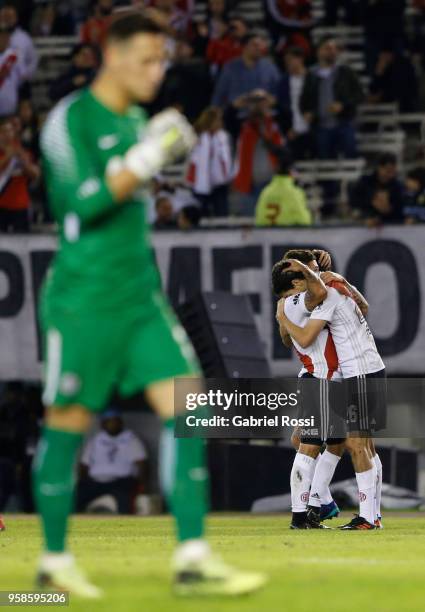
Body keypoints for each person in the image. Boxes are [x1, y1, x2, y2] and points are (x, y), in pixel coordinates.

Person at [33, 11, 265, 598]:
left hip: (141, 299)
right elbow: (77, 207)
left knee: (192, 409)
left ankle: (192, 557)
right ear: (111, 55)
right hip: (84, 301)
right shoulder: (70, 121)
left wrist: (146, 153)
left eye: (163, 60)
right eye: (146, 59)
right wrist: (143, 160)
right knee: (67, 427)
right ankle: (52, 567)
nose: (158, 71)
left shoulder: (138, 118)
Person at [278, 261, 386, 530]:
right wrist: (339, 279)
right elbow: (364, 307)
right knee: (356, 444)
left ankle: (362, 515)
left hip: (355, 371)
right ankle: (362, 512)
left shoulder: (329, 293)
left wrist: (282, 318)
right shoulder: (326, 291)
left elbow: (297, 339)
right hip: (351, 372)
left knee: (354, 444)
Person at [300, 36, 363, 159]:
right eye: (328, 48)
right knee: (326, 163)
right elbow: (304, 101)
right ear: (319, 51)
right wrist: (307, 113)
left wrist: (343, 105)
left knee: (351, 157)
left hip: (344, 123)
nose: (333, 51)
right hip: (321, 126)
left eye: (335, 49)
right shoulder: (311, 74)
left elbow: (359, 95)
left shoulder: (345, 71)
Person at [77, 409, 148, 514]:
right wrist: (82, 481)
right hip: (95, 481)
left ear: (120, 422)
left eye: (114, 421)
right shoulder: (96, 439)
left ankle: (124, 525)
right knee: (76, 498)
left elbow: (142, 463)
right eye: (108, 421)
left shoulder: (131, 438)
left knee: (124, 500)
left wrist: (142, 485)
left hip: (121, 481)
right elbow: (84, 465)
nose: (112, 424)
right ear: (102, 424)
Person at [232, 91, 285, 215]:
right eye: (255, 102)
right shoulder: (243, 125)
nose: (258, 105)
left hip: (273, 182)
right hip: (250, 184)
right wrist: (238, 104)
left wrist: (274, 103)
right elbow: (228, 119)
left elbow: (287, 117)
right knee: (250, 221)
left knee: (272, 223)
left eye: (261, 101)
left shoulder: (273, 123)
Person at [211, 32, 281, 109]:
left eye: (260, 45)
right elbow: (219, 95)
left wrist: (267, 97)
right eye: (255, 45)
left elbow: (279, 94)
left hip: (262, 114)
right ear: (244, 46)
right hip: (235, 114)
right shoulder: (230, 68)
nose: (259, 48)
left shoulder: (270, 67)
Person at [187, 106, 233, 217]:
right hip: (200, 182)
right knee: (199, 214)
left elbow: (226, 160)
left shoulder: (224, 137)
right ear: (210, 121)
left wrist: (228, 177)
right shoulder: (196, 136)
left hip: (219, 183)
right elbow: (192, 160)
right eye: (218, 120)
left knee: (222, 214)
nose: (220, 122)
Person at [0, 116, 40, 233]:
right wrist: (8, 156)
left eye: (9, 131)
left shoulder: (22, 151)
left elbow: (35, 175)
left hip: (20, 206)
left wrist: (24, 163)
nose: (7, 134)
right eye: (3, 131)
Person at [255, 149, 312, 226]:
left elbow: (259, 220)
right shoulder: (294, 193)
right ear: (291, 172)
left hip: (267, 236)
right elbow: (304, 220)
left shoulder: (266, 191)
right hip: (286, 235)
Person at [349, 153, 404, 224]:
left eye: (393, 171)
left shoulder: (397, 186)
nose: (390, 174)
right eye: (388, 170)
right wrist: (372, 202)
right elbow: (353, 201)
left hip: (389, 223)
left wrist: (388, 209)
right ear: (379, 167)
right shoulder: (365, 182)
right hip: (365, 221)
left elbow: (399, 209)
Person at [278, 46, 312, 159]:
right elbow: (282, 108)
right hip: (292, 132)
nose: (287, 64)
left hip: (313, 130)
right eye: (286, 61)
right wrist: (288, 129)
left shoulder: (313, 79)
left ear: (300, 59)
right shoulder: (283, 82)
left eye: (290, 60)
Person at [0, 3, 38, 80]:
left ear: (16, 18)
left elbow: (33, 59)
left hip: (20, 82)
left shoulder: (24, 38)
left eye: (9, 17)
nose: (7, 20)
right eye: (5, 16)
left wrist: (26, 75)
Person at [0, 21, 27, 116]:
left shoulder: (15, 55)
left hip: (10, 104)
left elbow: (23, 78)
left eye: (5, 35)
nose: (3, 39)